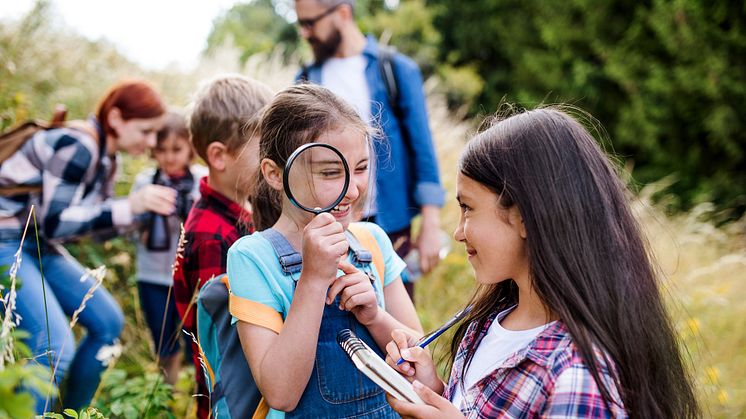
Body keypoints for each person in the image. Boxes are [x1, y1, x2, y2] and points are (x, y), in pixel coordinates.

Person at [384, 107, 700, 418]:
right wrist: (432, 390)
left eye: (468, 207)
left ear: (524, 217)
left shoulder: (576, 376)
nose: (458, 232)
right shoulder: (488, 321)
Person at [227, 84, 423, 417]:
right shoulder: (251, 258)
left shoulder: (372, 242)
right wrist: (313, 280)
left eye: (360, 168)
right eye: (331, 173)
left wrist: (375, 316)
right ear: (276, 174)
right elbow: (281, 394)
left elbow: (419, 361)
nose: (352, 189)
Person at [0, 80, 173, 413]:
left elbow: (85, 228)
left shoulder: (108, 162)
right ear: (117, 118)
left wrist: (138, 218)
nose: (151, 142)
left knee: (107, 321)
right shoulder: (80, 145)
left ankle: (72, 412)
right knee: (53, 345)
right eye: (146, 131)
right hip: (6, 238)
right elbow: (56, 223)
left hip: (37, 243)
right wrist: (128, 207)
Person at [294, 0, 445, 302]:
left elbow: (422, 148)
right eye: (301, 24)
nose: (305, 33)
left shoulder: (396, 70)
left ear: (343, 13)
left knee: (396, 316)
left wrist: (430, 223)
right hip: (332, 222)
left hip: (392, 224)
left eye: (310, 23)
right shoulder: (306, 81)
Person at [172, 74, 273, 418]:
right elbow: (226, 340)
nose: (273, 161)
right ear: (219, 156)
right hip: (235, 400)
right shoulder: (211, 236)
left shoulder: (241, 214)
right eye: (264, 149)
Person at [131, 111, 206, 385]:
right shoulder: (145, 182)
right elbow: (130, 229)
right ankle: (167, 397)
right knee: (164, 342)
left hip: (191, 277)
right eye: (161, 150)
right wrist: (148, 222)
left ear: (190, 148)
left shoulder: (201, 180)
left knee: (197, 345)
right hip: (152, 275)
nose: (170, 157)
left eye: (177, 149)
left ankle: (199, 398)